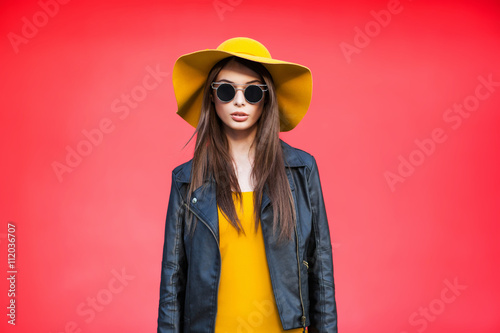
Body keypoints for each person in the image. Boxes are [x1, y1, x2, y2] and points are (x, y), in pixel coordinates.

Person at [157, 37, 338, 333]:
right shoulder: (186, 181)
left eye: (253, 91)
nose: (239, 101)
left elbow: (321, 269)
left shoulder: (301, 170)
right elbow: (173, 279)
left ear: (267, 98)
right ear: (211, 97)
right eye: (227, 90)